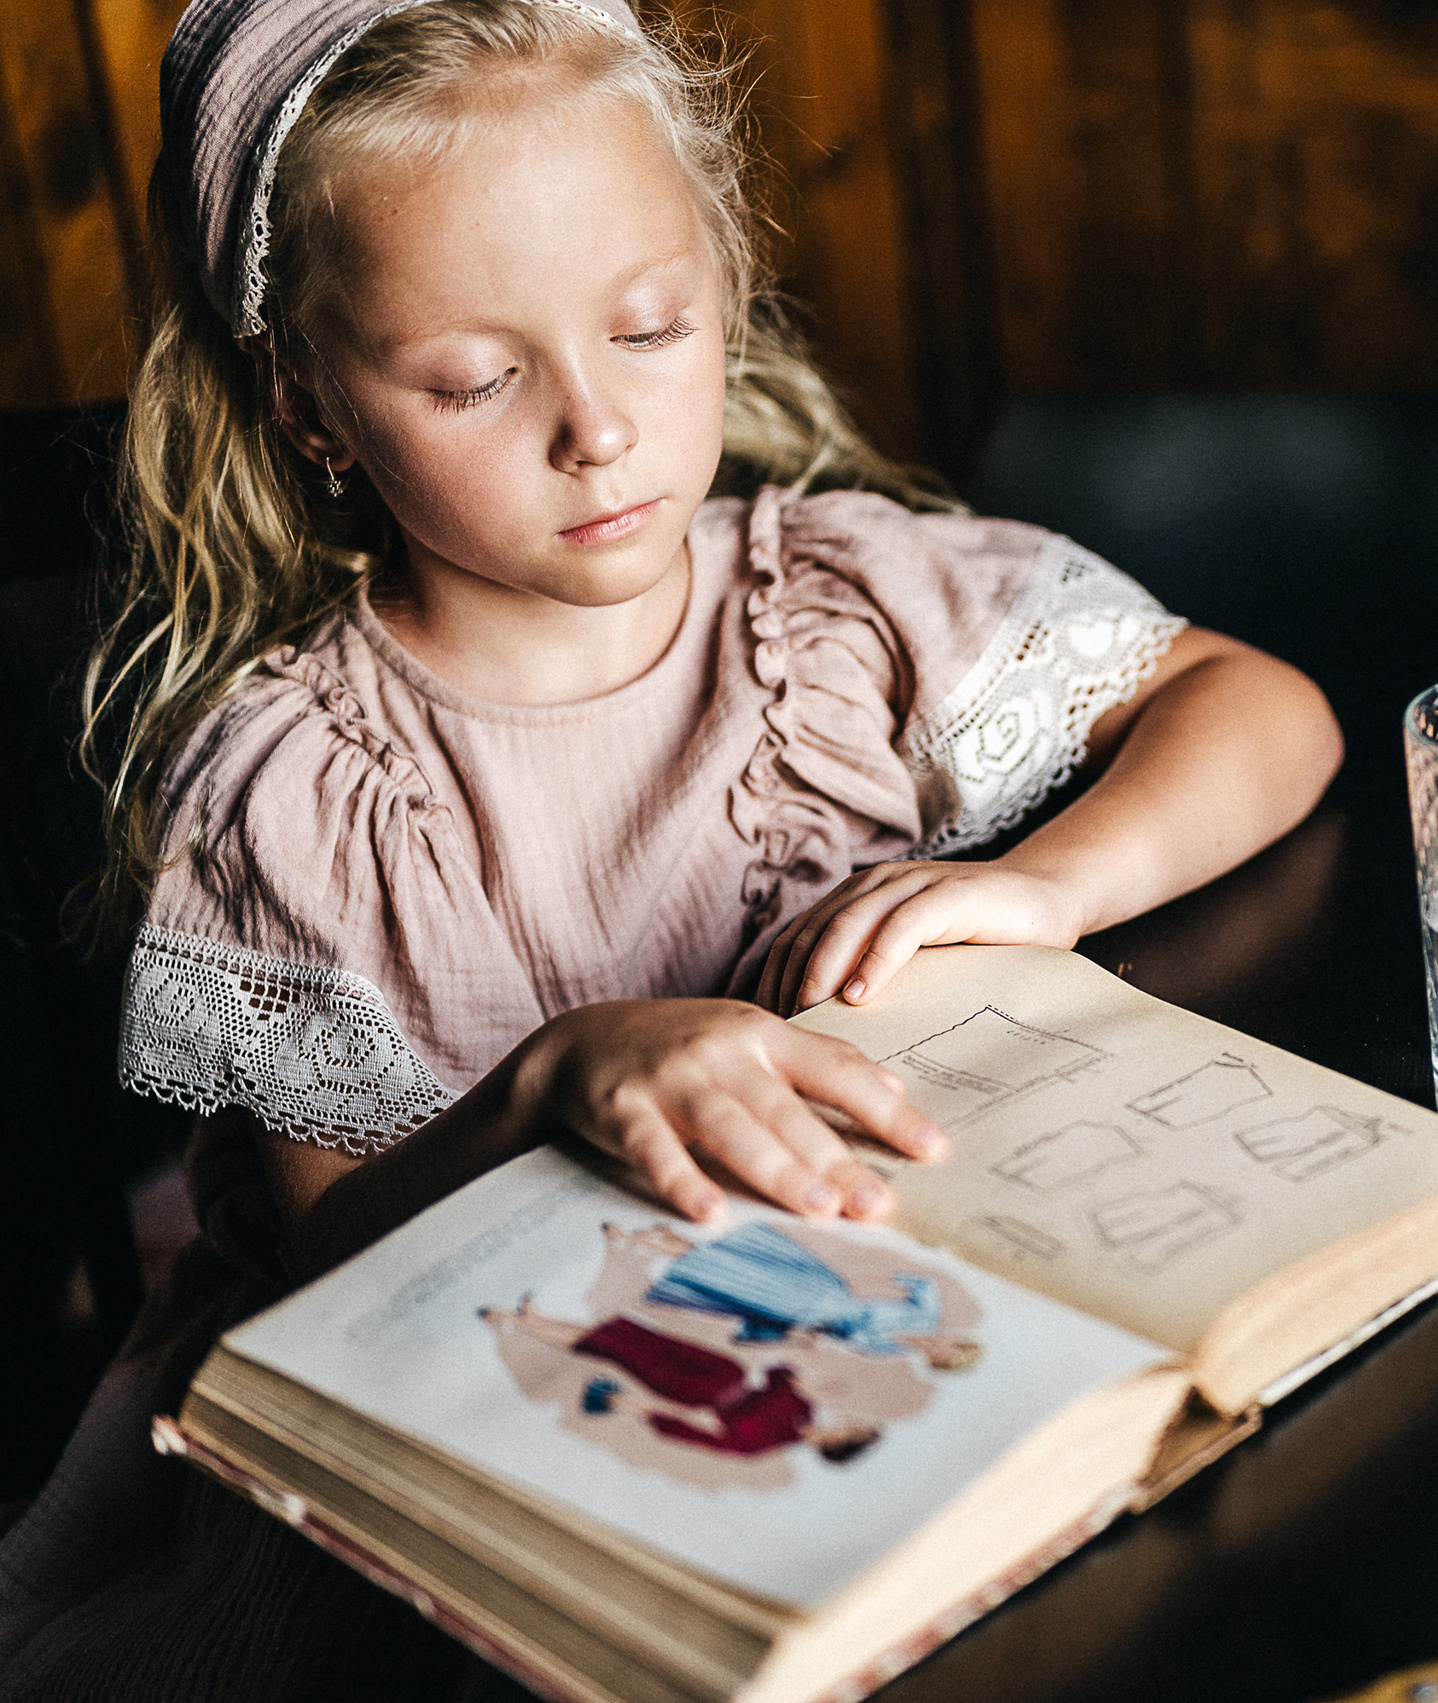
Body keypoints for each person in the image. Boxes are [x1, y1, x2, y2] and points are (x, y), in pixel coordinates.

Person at [0, 0, 1339, 1694]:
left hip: (881, 1334)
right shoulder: (308, 789)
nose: (599, 428)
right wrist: (550, 1079)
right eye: (479, 378)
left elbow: (1261, 709)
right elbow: (340, 1252)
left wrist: (1038, 887)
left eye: (651, 326)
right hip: (475, 1443)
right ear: (314, 403)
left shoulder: (835, 607)